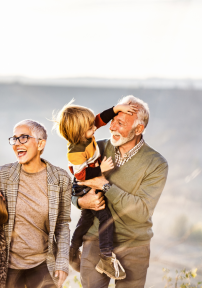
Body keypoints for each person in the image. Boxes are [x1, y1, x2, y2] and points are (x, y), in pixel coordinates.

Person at [72, 95, 169, 288]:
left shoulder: (156, 164)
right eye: (113, 120)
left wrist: (105, 186)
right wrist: (81, 202)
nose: (112, 127)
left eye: (120, 123)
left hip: (134, 246)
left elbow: (142, 212)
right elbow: (74, 187)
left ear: (138, 129)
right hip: (95, 240)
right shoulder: (97, 148)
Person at [53, 100, 136, 279]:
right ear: (79, 132)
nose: (95, 128)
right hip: (83, 185)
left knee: (86, 219)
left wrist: (116, 109)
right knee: (105, 217)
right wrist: (101, 169)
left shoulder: (86, 134)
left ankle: (72, 250)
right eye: (90, 127)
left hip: (89, 181)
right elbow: (81, 175)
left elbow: (99, 119)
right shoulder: (75, 151)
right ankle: (106, 257)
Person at [0, 119, 72, 288]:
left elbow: (63, 223)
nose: (17, 143)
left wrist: (62, 262)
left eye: (24, 138)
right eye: (14, 139)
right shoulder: (3, 175)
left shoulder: (60, 179)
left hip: (42, 263)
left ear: (41, 144)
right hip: (8, 264)